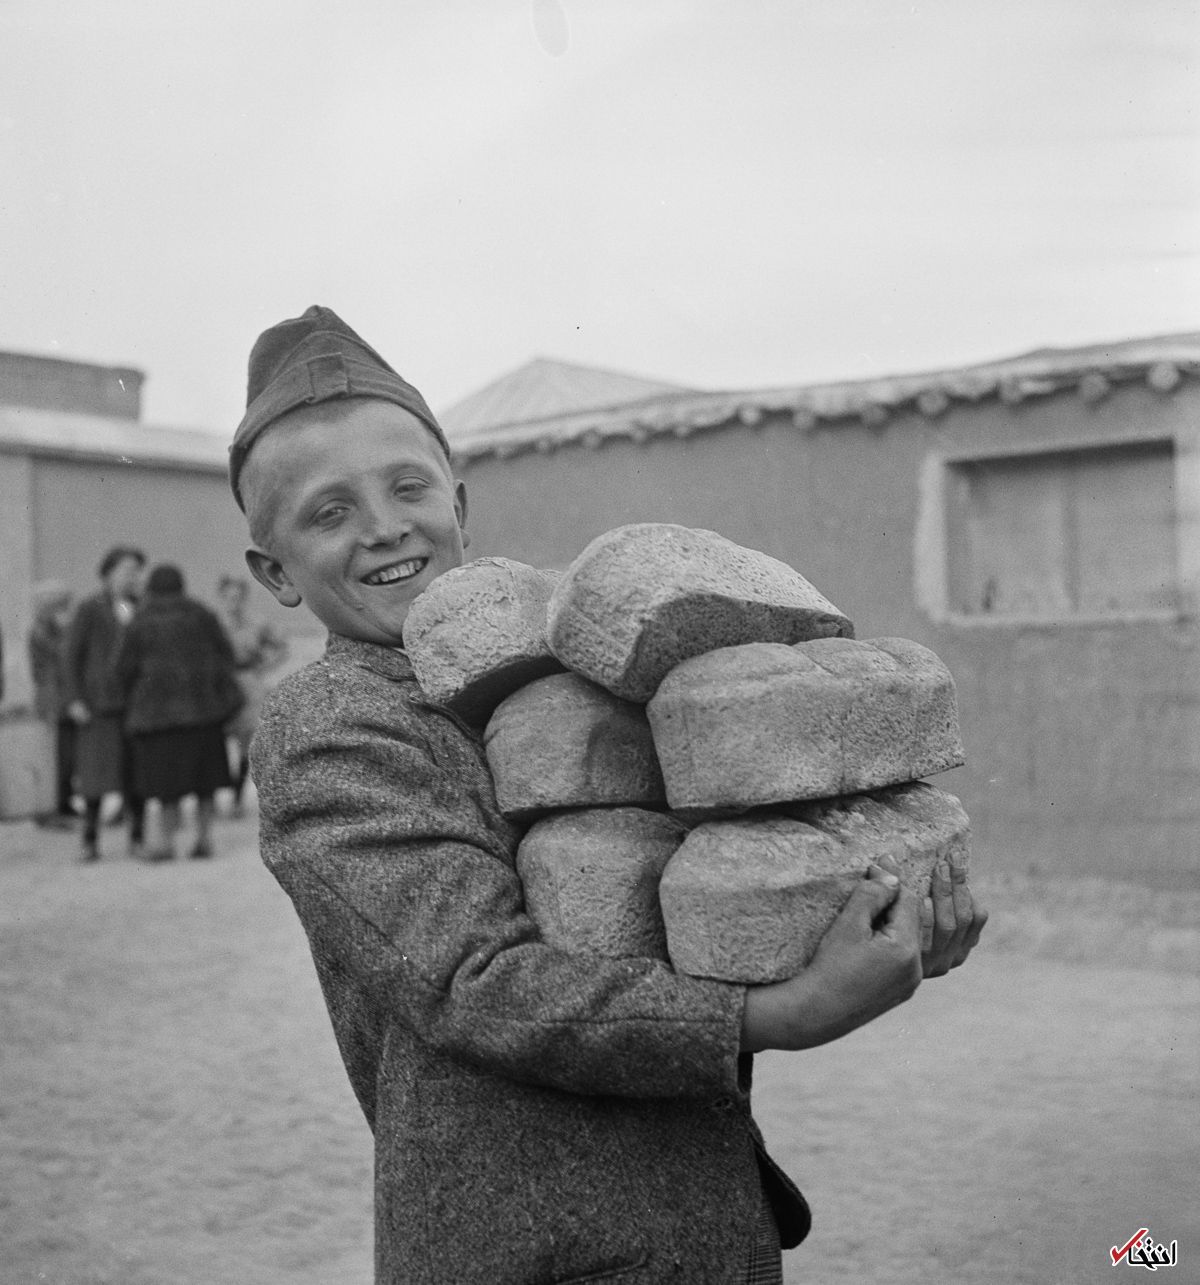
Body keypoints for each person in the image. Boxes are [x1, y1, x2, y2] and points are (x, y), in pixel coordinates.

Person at [231, 307, 986, 1285]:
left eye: (406, 486)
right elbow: (476, 982)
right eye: (327, 512)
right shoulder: (332, 722)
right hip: (532, 1244)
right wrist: (779, 1014)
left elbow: (689, 902)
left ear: (460, 503)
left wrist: (882, 930)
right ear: (273, 572)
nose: (382, 526)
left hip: (698, 1206)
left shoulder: (569, 681)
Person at [115, 564, 243, 860]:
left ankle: (166, 843)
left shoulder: (141, 620)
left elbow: (122, 669)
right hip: (204, 714)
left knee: (166, 785)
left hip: (157, 719)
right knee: (204, 782)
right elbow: (227, 656)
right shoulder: (202, 615)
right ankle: (203, 838)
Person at [63, 545, 147, 861]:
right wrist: (74, 699)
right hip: (96, 707)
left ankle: (137, 838)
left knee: (135, 774)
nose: (133, 578)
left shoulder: (142, 608)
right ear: (108, 573)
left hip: (135, 706)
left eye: (137, 571)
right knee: (94, 777)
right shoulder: (89, 609)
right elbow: (70, 658)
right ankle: (89, 840)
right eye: (126, 571)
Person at [213, 573, 288, 815]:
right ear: (220, 598)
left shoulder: (257, 623)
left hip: (248, 682)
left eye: (237, 597)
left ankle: (236, 796)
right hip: (218, 684)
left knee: (247, 743)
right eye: (228, 597)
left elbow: (281, 647)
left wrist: (265, 667)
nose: (233, 602)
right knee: (215, 740)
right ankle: (212, 798)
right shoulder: (212, 623)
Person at [27, 580, 78, 828]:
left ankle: (65, 800)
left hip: (62, 696)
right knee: (55, 756)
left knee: (67, 755)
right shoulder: (42, 630)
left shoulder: (55, 628)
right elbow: (59, 656)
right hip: (52, 699)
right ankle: (53, 806)